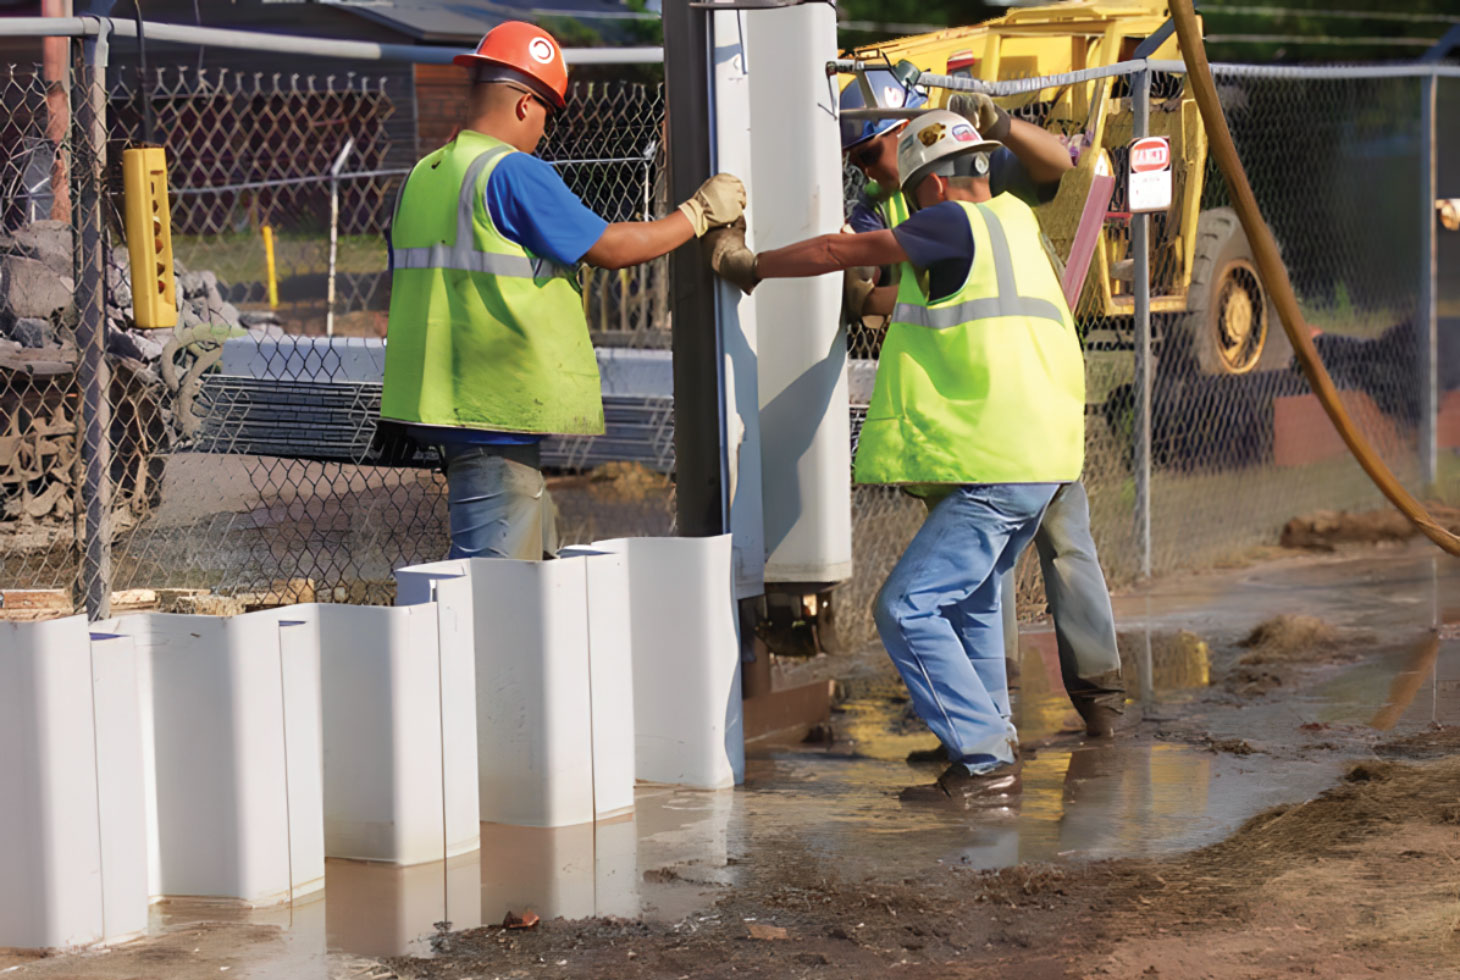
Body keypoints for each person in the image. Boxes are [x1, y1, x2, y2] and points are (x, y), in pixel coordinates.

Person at [708, 109, 1086, 805]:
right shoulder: (1015, 225)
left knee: (906, 609)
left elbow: (833, 254)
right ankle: (988, 740)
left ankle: (982, 760)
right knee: (968, 603)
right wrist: (872, 299)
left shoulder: (946, 223)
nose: (908, 210)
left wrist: (749, 264)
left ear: (934, 189)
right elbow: (925, 295)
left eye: (909, 195)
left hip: (995, 462)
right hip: (1042, 456)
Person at [381, 22, 745, 560]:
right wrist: (697, 214)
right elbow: (608, 247)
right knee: (492, 591)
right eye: (547, 114)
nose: (544, 131)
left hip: (442, 404)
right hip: (493, 409)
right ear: (526, 105)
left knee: (528, 567)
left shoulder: (424, 174)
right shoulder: (510, 173)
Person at [841, 77, 1127, 739]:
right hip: (971, 410)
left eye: (872, 153)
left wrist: (1000, 125)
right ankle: (987, 719)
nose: (872, 171)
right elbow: (876, 292)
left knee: (1065, 547)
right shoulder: (874, 208)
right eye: (858, 159)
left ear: (906, 131)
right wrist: (869, 293)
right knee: (980, 577)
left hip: (1021, 392)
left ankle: (1096, 698)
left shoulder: (964, 162)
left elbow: (1059, 163)